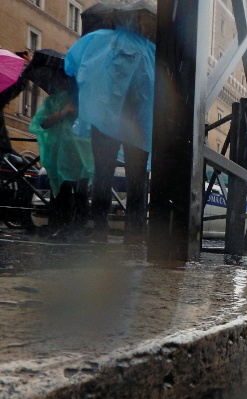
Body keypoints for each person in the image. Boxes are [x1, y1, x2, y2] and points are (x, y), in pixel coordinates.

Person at [65, 28, 154, 243]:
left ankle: (101, 228)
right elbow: (151, 88)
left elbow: (81, 71)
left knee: (103, 174)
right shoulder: (149, 51)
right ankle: (134, 231)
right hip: (136, 120)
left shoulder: (103, 42)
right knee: (137, 178)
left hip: (106, 118)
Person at [28, 73, 93, 239]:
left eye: (65, 78)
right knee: (62, 192)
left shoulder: (82, 98)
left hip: (80, 155)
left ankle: (78, 228)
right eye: (58, 78)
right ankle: (62, 227)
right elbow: (42, 122)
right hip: (59, 154)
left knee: (81, 192)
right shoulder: (51, 101)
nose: (61, 81)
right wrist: (64, 112)